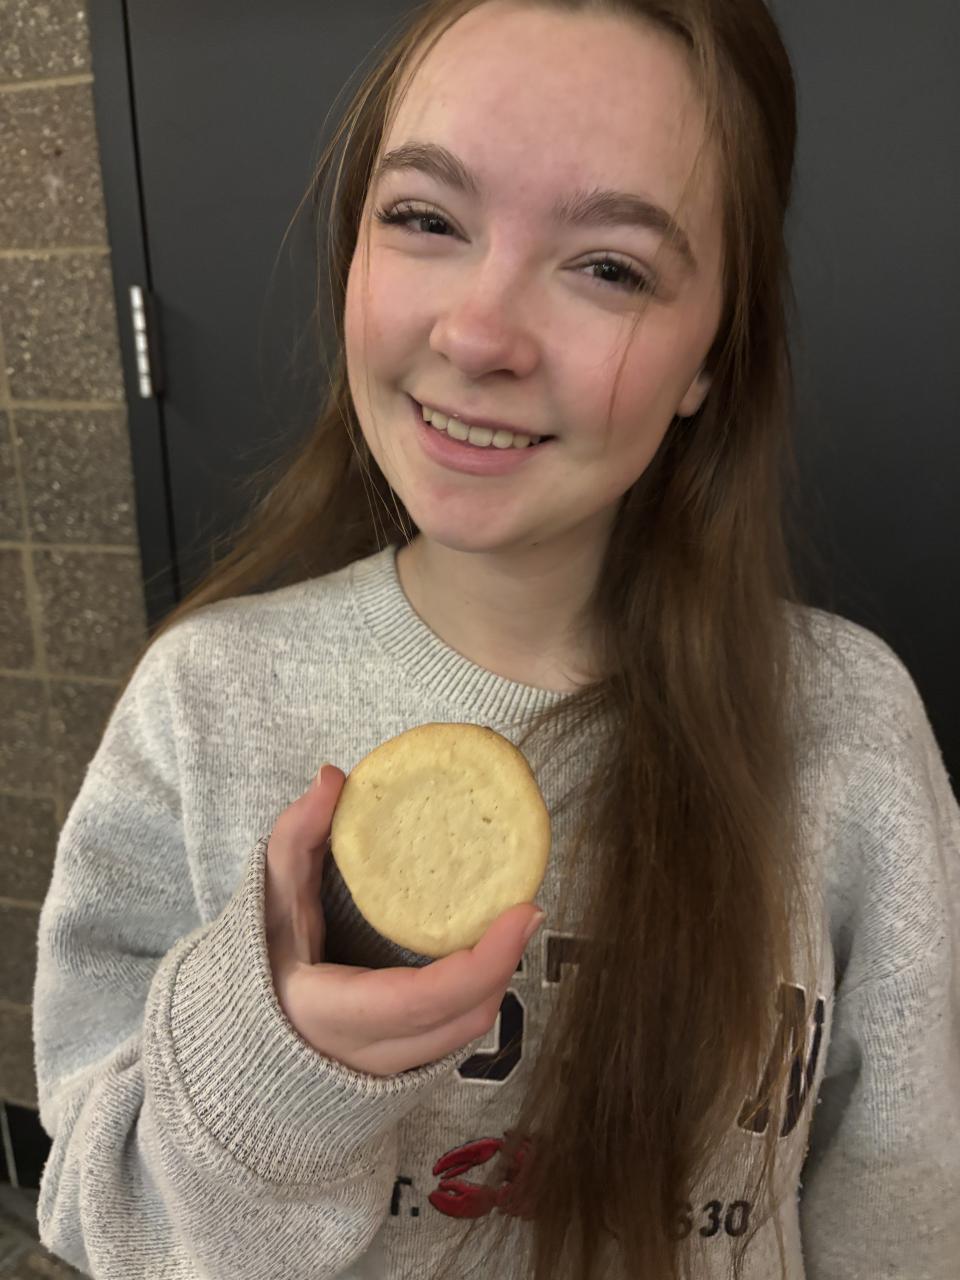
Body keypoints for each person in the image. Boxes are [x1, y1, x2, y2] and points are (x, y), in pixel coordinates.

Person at [31, 0, 959, 1277]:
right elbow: (100, 1216)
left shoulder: (848, 724)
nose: (477, 335)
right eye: (425, 218)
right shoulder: (204, 701)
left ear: (711, 356)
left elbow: (906, 1211)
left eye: (611, 268)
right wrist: (273, 1062)